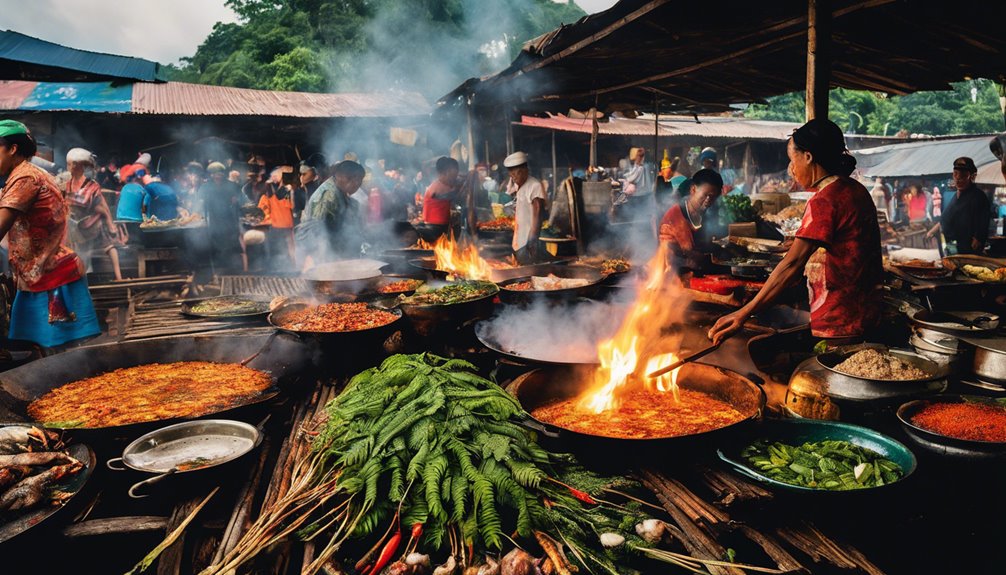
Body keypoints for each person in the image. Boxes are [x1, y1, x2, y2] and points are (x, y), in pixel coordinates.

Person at [709, 118, 882, 344]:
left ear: (808, 157)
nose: (791, 169)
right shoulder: (855, 189)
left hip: (841, 322)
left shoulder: (825, 199)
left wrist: (743, 313)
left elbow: (791, 265)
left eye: (793, 159)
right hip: (868, 314)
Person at [0, 120, 100, 347]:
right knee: (44, 352)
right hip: (38, 274)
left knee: (62, 357)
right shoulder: (26, 174)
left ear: (12, 149)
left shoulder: (25, 178)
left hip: (51, 277)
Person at [63, 148, 125, 280]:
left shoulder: (92, 186)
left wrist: (110, 223)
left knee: (108, 246)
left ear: (78, 165)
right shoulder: (66, 184)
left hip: (92, 223)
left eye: (71, 164)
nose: (68, 167)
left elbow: (99, 206)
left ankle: (119, 277)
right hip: (74, 225)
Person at [297, 160, 365, 266]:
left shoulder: (339, 191)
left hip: (337, 255)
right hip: (327, 259)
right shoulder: (329, 194)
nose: (358, 184)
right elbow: (315, 231)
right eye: (358, 180)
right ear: (345, 177)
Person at [658, 169, 723, 271]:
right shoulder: (674, 217)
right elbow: (666, 255)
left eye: (713, 197)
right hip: (676, 276)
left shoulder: (709, 213)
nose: (708, 201)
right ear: (693, 190)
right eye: (706, 195)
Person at [925, 157, 991, 255]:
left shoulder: (978, 196)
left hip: (966, 251)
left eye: (963, 175)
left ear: (972, 176)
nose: (958, 179)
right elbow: (947, 218)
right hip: (951, 246)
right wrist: (932, 231)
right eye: (956, 174)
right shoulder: (955, 195)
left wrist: (978, 239)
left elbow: (983, 223)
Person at [198, 162, 246, 275]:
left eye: (220, 173)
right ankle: (218, 270)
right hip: (214, 220)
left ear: (223, 174)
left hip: (230, 220)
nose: (218, 175)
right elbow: (200, 202)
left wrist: (235, 202)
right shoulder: (205, 187)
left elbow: (240, 201)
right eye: (215, 173)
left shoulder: (232, 185)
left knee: (231, 245)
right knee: (215, 244)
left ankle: (234, 270)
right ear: (211, 175)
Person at [503, 151, 546, 262]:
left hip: (528, 244)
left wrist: (532, 240)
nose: (514, 177)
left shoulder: (534, 186)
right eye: (511, 175)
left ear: (525, 170)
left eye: (516, 173)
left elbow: (538, 212)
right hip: (518, 242)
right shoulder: (519, 186)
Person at [257, 174, 295, 268]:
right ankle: (292, 266)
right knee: (286, 246)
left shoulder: (271, 197)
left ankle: (281, 266)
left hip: (277, 225)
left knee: (278, 247)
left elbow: (262, 213)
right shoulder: (281, 195)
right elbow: (291, 206)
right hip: (283, 224)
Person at [422, 156, 459, 236]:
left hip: (442, 228)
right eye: (452, 177)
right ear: (445, 173)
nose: (454, 179)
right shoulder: (437, 187)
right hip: (433, 229)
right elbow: (454, 196)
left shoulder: (446, 185)